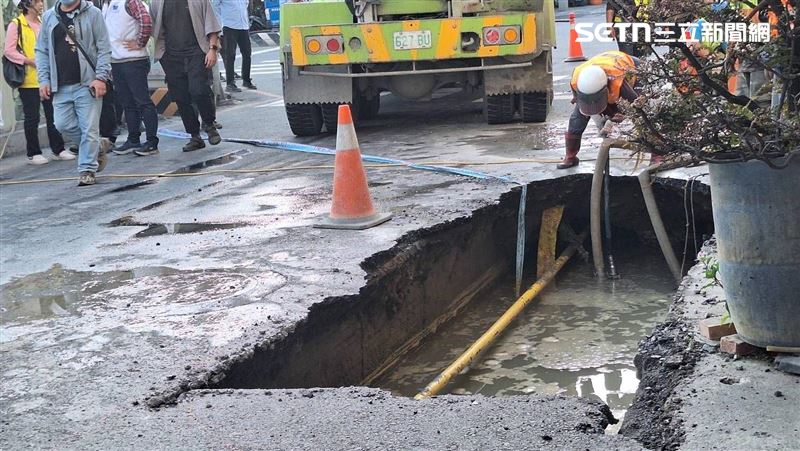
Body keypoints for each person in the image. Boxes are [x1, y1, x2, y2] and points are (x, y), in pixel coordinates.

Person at [36, 0, 112, 186]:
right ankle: (97, 146)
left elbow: (104, 48)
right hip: (60, 85)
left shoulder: (93, 13)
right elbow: (42, 51)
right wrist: (44, 79)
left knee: (89, 128)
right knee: (62, 125)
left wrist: (101, 77)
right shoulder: (49, 17)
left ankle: (87, 169)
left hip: (88, 83)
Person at [4, 0, 71, 165]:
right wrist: (28, 60)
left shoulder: (43, 22)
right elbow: (9, 51)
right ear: (27, 4)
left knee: (53, 115)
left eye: (41, 1)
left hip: (46, 77)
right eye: (37, 1)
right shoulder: (16, 24)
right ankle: (33, 153)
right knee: (32, 117)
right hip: (29, 80)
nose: (41, 4)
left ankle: (58, 149)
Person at [150, 0, 222, 152]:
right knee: (180, 97)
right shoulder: (156, 3)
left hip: (196, 52)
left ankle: (209, 124)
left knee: (198, 89)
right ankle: (194, 136)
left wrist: (212, 49)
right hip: (170, 56)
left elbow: (212, 25)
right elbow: (151, 26)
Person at [558, 51, 640, 169]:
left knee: (642, 107)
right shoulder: (577, 80)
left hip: (631, 65)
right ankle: (570, 156)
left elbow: (638, 108)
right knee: (577, 119)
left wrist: (624, 114)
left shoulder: (620, 84)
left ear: (606, 90)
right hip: (603, 66)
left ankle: (657, 152)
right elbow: (577, 99)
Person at [100, 0, 159, 156]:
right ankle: (133, 140)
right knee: (128, 103)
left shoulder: (129, 2)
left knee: (142, 101)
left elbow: (146, 20)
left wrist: (140, 42)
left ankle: (152, 142)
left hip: (134, 60)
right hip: (117, 61)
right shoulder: (106, 5)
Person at [212, 0, 257, 92]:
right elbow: (215, 7)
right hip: (229, 26)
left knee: (247, 53)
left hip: (243, 25)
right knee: (230, 55)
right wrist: (222, 21)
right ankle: (230, 83)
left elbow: (246, 4)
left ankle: (246, 80)